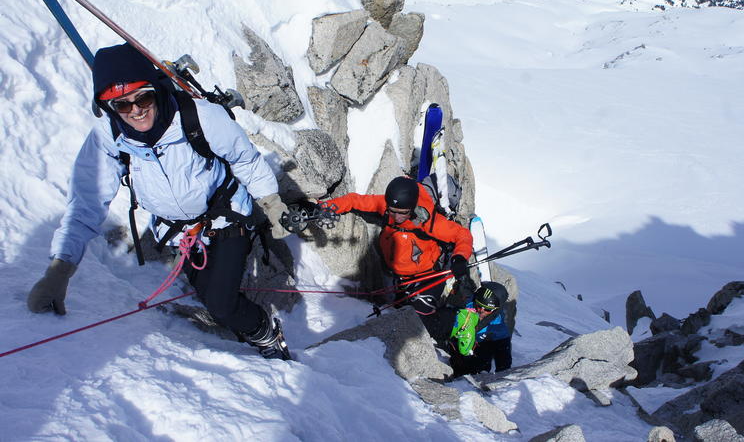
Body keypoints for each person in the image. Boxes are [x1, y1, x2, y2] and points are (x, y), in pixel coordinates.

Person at [27, 43, 292, 360]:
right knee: (211, 297)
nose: (136, 110)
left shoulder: (200, 117)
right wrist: (60, 270)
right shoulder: (108, 138)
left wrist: (272, 204)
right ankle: (244, 325)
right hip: (180, 234)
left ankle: (266, 336)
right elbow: (86, 205)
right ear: (109, 107)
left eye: (143, 98)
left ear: (156, 90)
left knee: (222, 304)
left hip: (226, 217)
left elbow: (245, 161)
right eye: (123, 105)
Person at [322, 176, 474, 315]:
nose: (396, 217)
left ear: (413, 208)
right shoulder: (387, 205)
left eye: (403, 213)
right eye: (393, 212)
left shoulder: (428, 220)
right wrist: (323, 208)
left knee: (418, 315)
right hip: (396, 278)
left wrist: (460, 258)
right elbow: (354, 200)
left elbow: (462, 235)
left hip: (426, 277)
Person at [448, 281, 512, 376]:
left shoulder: (497, 325)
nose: (481, 310)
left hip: (478, 350)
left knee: (486, 349)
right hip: (456, 347)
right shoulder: (464, 304)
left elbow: (503, 353)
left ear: (496, 310)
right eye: (479, 305)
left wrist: (502, 374)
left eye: (487, 309)